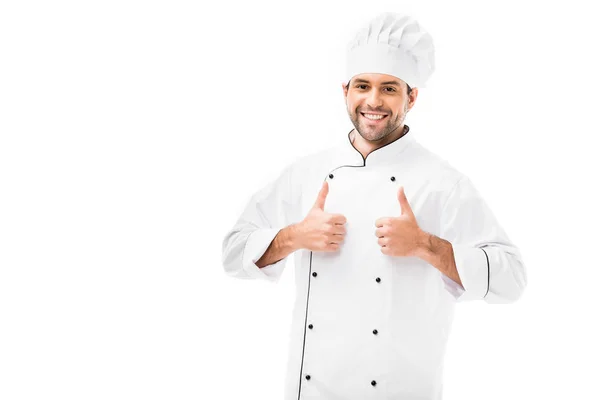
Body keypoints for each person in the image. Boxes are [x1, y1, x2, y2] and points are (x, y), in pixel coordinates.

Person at [221, 11, 527, 400]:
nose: (373, 101)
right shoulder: (307, 172)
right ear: (345, 90)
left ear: (411, 97)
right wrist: (293, 236)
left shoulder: (443, 183)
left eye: (389, 88)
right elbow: (233, 252)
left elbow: (512, 279)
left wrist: (424, 246)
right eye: (363, 85)